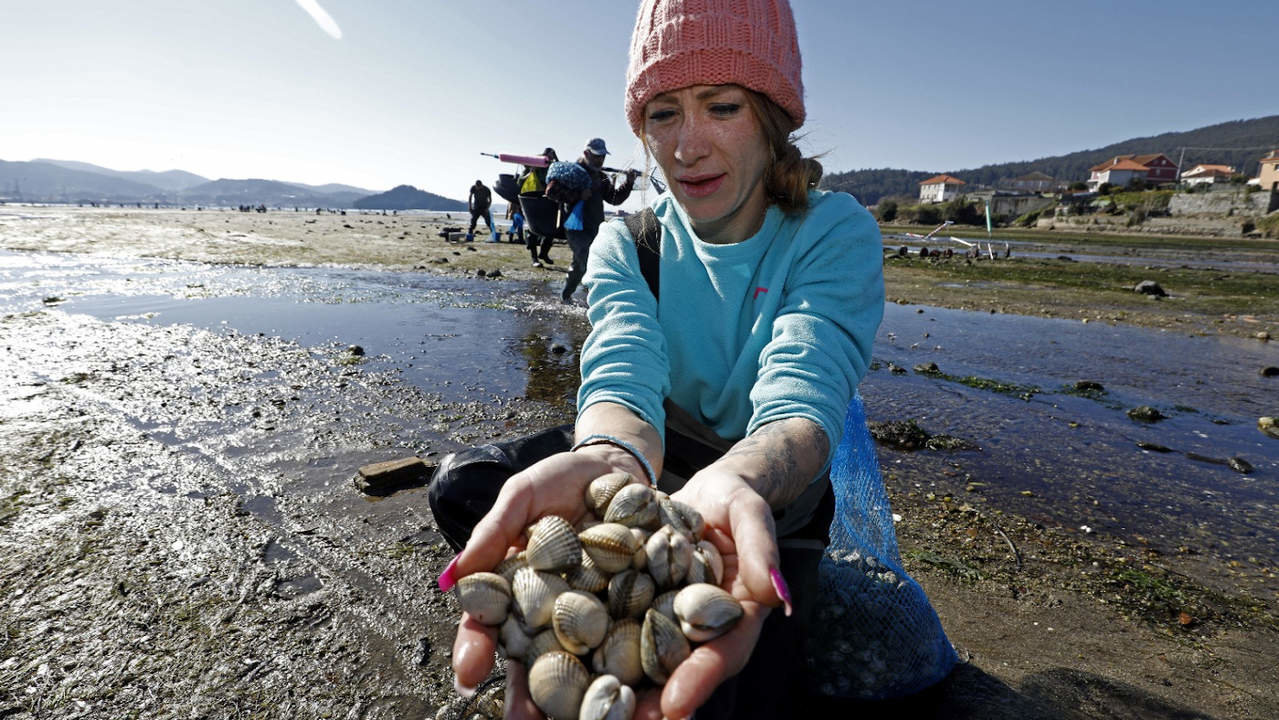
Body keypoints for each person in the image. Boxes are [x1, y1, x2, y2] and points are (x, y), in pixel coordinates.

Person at [431, 0, 897, 717]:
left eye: (721, 106)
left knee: (739, 696)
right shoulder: (632, 242)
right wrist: (611, 459)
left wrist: (736, 482)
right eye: (662, 114)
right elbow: (622, 369)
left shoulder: (832, 231)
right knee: (463, 483)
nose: (687, 147)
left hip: (764, 498)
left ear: (773, 120)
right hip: (647, 461)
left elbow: (802, 396)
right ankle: (567, 610)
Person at [559, 138, 637, 303]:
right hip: (575, 228)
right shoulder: (571, 172)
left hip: (596, 227)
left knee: (585, 263)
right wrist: (577, 196)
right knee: (585, 258)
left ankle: (571, 295)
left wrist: (628, 183)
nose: (600, 160)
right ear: (586, 153)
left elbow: (614, 199)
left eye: (602, 157)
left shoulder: (600, 176)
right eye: (596, 156)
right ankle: (585, 298)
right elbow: (551, 191)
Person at [519, 148, 559, 267]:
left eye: (552, 157)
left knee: (551, 229)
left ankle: (544, 253)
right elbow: (519, 182)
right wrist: (531, 172)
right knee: (533, 230)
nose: (549, 159)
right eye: (548, 156)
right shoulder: (531, 166)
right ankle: (534, 258)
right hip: (531, 200)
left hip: (547, 200)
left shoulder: (553, 168)